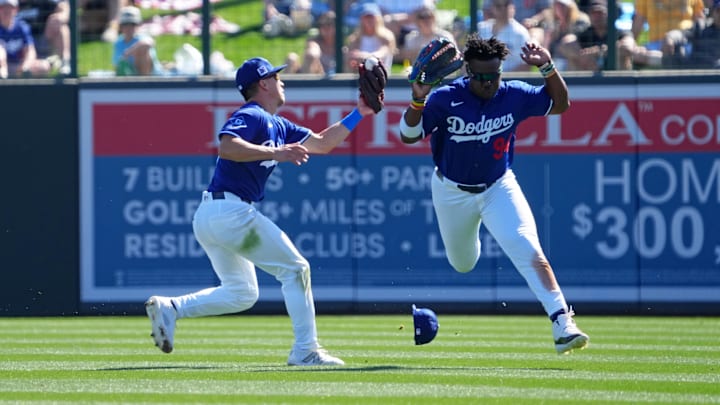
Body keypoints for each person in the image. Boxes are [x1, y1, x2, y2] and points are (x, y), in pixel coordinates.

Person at [144, 56, 378, 366]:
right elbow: (227, 146)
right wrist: (277, 153)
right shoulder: (252, 114)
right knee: (296, 269)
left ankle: (172, 307)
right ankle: (306, 350)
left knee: (242, 292)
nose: (283, 82)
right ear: (264, 83)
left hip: (213, 215)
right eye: (277, 77)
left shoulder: (279, 124)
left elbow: (322, 143)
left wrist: (359, 113)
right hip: (229, 212)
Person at [398, 34, 590, 355]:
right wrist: (418, 100)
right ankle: (472, 242)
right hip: (451, 192)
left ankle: (562, 323)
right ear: (467, 73)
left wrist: (546, 67)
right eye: (481, 77)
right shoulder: (446, 98)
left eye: (495, 75)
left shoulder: (512, 93)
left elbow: (561, 104)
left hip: (498, 186)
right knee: (463, 263)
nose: (489, 83)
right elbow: (408, 135)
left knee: (530, 250)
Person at [632, 0, 705, 67]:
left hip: (685, 42)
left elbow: (700, 21)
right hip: (656, 44)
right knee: (634, 54)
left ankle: (663, 60)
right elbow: (638, 21)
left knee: (693, 53)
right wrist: (632, 44)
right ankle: (673, 60)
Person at [0, 0, 54, 78]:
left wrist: (24, 67)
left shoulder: (22, 27)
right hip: (3, 67)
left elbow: (30, 51)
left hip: (19, 65)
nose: (7, 11)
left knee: (44, 66)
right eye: (3, 8)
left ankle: (34, 89)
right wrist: (3, 67)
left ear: (16, 10)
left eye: (10, 8)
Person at [477, 0, 533, 72]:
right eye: (498, 6)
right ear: (492, 8)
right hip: (482, 78)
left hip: (510, 80)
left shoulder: (520, 33)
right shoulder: (481, 28)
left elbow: (525, 65)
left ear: (512, 7)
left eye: (506, 5)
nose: (503, 9)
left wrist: (502, 78)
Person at [17, 0, 70, 74]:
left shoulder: (42, 2)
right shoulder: (9, 3)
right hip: (17, 45)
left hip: (41, 41)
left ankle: (65, 63)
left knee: (59, 25)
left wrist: (60, 17)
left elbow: (62, 5)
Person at [344, 2, 396, 71]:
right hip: (361, 78)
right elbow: (352, 57)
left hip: (381, 78)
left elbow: (382, 54)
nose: (369, 20)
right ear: (361, 19)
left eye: (371, 17)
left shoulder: (386, 37)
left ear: (378, 18)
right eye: (366, 17)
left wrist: (364, 56)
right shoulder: (355, 39)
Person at [112, 5, 163, 76]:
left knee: (142, 51)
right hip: (130, 73)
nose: (128, 28)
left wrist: (129, 52)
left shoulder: (142, 37)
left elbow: (148, 43)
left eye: (132, 24)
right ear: (121, 26)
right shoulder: (119, 42)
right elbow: (118, 63)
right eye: (125, 24)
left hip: (148, 74)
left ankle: (144, 82)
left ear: (138, 25)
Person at [285, 10, 337, 75]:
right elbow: (312, 51)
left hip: (335, 81)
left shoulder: (343, 47)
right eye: (322, 24)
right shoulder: (314, 42)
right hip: (314, 79)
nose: (325, 28)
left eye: (329, 24)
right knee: (291, 58)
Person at [687, 0, 720, 68]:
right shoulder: (701, 27)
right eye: (719, 11)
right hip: (700, 75)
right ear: (713, 12)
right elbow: (683, 34)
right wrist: (671, 36)